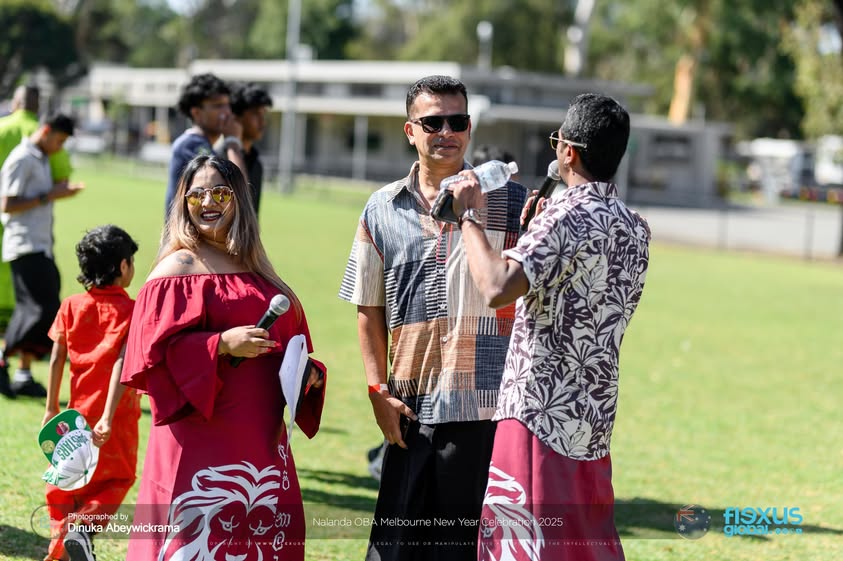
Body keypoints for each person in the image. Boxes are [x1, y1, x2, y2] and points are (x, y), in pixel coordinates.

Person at [448, 93, 651, 561]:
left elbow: (496, 285)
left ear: (568, 152)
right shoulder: (635, 228)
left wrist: (469, 217)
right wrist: (534, 236)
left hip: (538, 413)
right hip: (592, 422)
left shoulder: (564, 214)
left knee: (521, 546)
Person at [338, 75, 527, 561]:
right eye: (432, 121)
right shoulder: (381, 208)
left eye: (457, 120)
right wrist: (377, 391)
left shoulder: (515, 203)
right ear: (409, 130)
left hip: (486, 411)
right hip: (409, 411)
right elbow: (368, 308)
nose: (447, 131)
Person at [121, 155, 327, 560]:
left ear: (239, 202)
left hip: (259, 437)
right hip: (201, 433)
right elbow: (151, 356)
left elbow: (290, 344)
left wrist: (309, 375)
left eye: (219, 192)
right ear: (183, 202)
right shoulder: (177, 268)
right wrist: (221, 345)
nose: (207, 202)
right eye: (195, 194)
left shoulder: (258, 270)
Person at [42, 224, 140, 561]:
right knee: (117, 479)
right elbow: (123, 364)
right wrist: (109, 417)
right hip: (117, 417)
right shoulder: (133, 311)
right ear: (123, 267)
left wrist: (51, 406)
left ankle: (64, 543)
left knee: (69, 482)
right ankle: (83, 530)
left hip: (76, 414)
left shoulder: (71, 305)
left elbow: (57, 356)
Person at [0, 113, 83, 398]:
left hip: (40, 244)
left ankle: (22, 374)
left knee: (39, 309)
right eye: (59, 140)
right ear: (45, 131)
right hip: (24, 245)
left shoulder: (40, 157)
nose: (59, 147)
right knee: (41, 309)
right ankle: (3, 354)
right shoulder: (22, 158)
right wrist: (50, 195)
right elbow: (6, 204)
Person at [164, 73, 246, 218]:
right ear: (196, 113)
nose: (227, 112)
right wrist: (233, 142)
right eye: (218, 106)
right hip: (187, 239)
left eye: (228, 105)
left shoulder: (204, 145)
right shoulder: (191, 144)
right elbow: (240, 192)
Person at [217, 82, 273, 216]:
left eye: (263, 114)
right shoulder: (217, 160)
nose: (262, 121)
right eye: (255, 114)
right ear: (235, 117)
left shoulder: (256, 162)